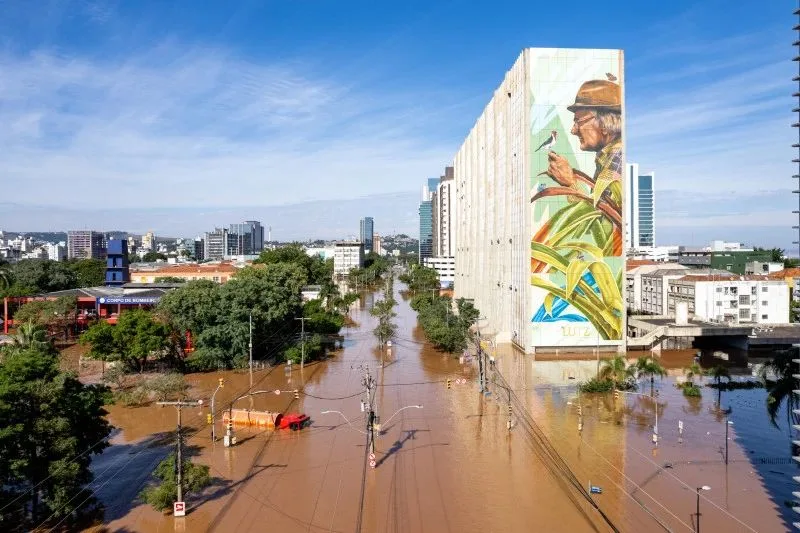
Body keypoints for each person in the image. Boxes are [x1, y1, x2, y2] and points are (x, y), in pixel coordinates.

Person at [544, 79, 622, 207]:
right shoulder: (609, 157)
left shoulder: (617, 158)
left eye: (578, 121)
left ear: (604, 124)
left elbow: (601, 218)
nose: (573, 130)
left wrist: (570, 183)